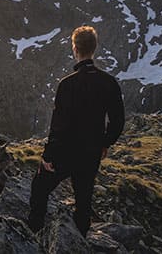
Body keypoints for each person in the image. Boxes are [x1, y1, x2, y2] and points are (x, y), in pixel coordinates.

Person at [27, 26, 125, 236]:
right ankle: (79, 241)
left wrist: (48, 155)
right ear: (94, 48)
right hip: (91, 152)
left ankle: (34, 236)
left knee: (39, 189)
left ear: (75, 48)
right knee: (84, 200)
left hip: (65, 152)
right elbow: (118, 121)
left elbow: (59, 126)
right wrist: (105, 143)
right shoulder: (108, 83)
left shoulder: (67, 85)